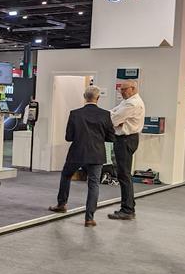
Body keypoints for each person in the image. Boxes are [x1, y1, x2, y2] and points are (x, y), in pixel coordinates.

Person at [48, 86, 116, 227]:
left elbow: (69, 137)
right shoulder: (105, 115)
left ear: (85, 97)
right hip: (96, 154)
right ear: (98, 98)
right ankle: (89, 218)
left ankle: (62, 204)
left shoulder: (75, 114)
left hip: (77, 152)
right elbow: (111, 137)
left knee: (66, 175)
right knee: (93, 184)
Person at [108, 80, 146, 220]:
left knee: (124, 175)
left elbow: (113, 120)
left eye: (124, 89)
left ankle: (128, 209)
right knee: (123, 174)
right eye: (120, 89)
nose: (121, 92)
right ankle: (128, 206)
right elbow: (112, 113)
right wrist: (117, 119)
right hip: (125, 139)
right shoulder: (127, 102)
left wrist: (117, 120)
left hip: (126, 139)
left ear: (133, 88)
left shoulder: (132, 104)